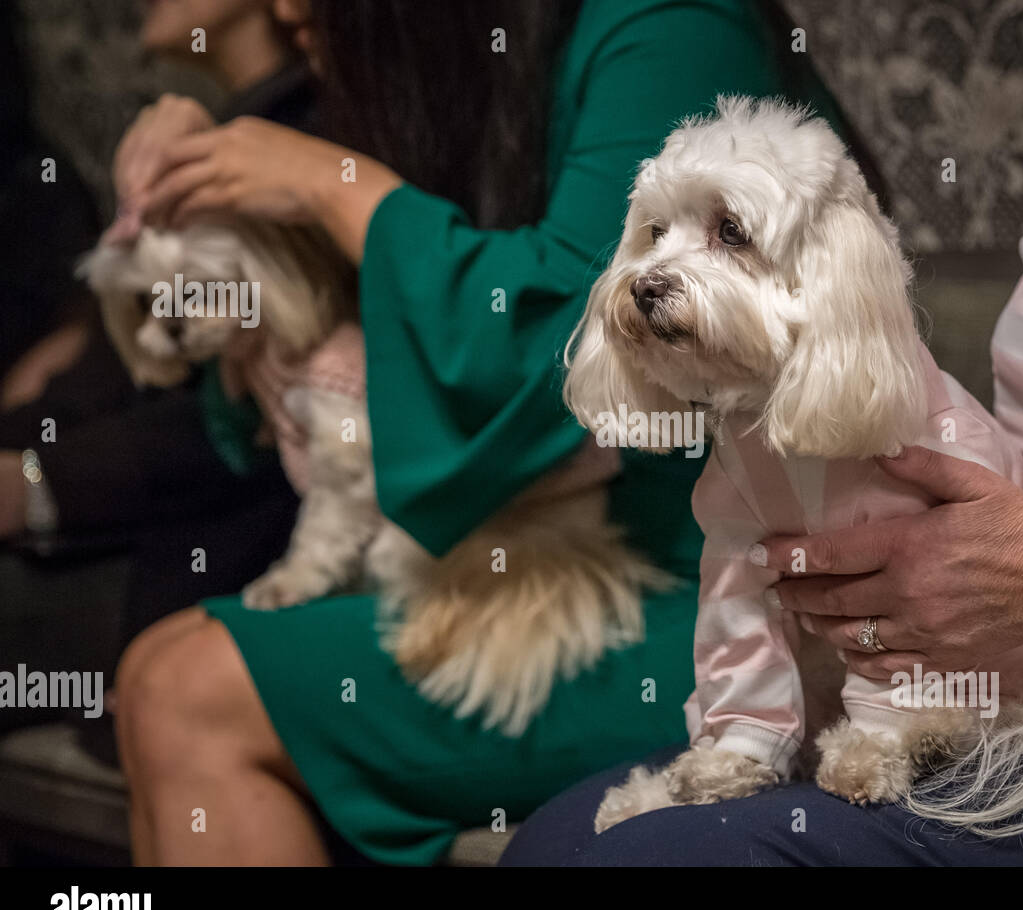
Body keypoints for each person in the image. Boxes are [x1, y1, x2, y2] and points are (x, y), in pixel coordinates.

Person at [501, 0, 1023, 865]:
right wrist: (746, 736)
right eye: (661, 235)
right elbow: (748, 593)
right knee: (557, 842)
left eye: (730, 233)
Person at [110, 0, 886, 865]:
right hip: (537, 557)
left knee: (183, 691)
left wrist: (340, 189)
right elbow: (301, 357)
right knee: (157, 666)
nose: (286, 3)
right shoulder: (480, 68)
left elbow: (554, 356)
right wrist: (198, 164)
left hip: (738, 598)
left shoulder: (668, 25)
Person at [0, 0, 315, 750]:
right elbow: (105, 374)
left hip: (221, 541)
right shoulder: (198, 146)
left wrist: (37, 483)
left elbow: (249, 416)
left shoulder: (308, 154)